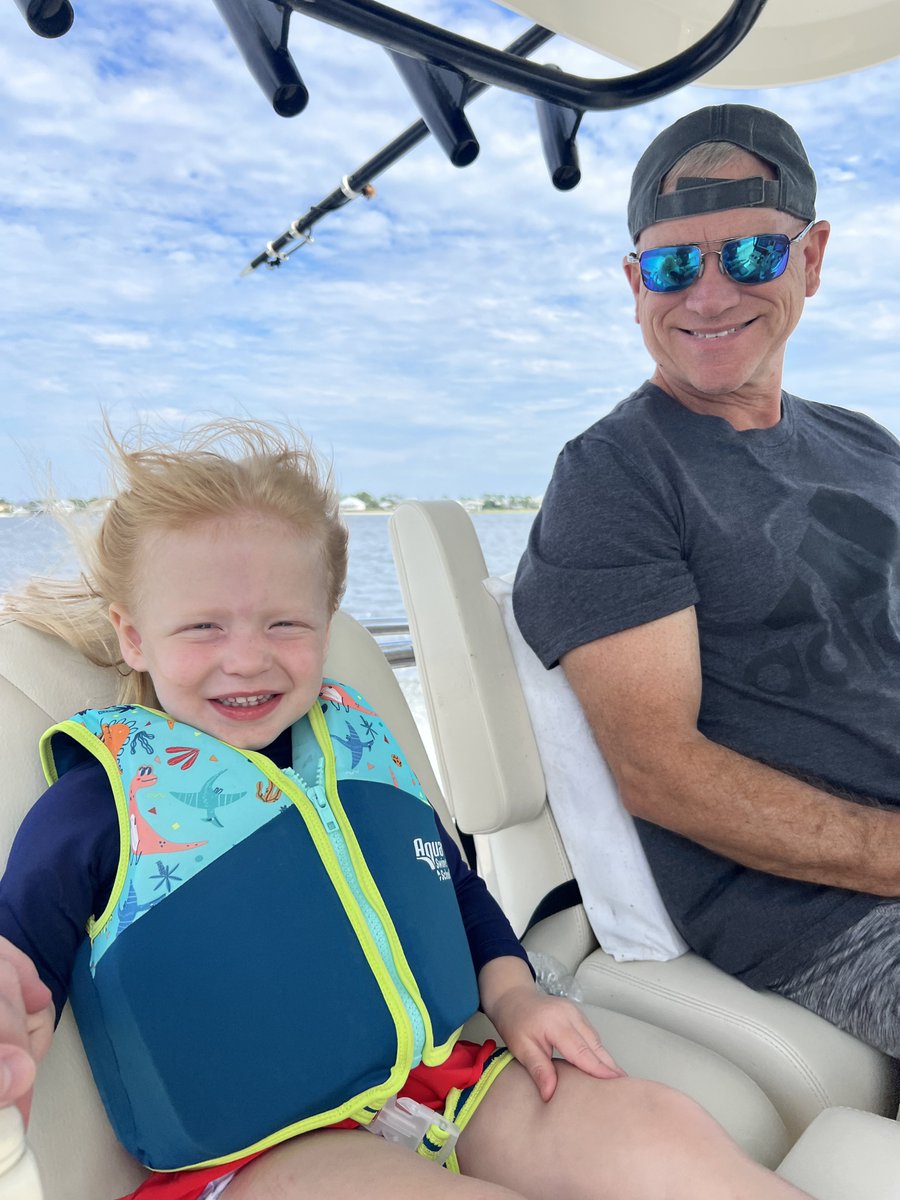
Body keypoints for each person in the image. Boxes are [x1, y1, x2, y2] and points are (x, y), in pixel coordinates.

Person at [0, 418, 810, 1200]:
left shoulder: (354, 747)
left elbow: (450, 887)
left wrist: (515, 993)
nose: (246, 657)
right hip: (255, 1156)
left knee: (657, 1130)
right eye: (203, 627)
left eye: (285, 623)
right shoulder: (99, 805)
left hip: (430, 1081)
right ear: (134, 638)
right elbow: (20, 958)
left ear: (326, 620)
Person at [514, 103, 900, 1059]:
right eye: (676, 265)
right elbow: (660, 771)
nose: (710, 294)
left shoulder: (868, 444)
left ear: (810, 261)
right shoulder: (617, 474)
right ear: (635, 284)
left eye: (753, 257)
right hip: (830, 915)